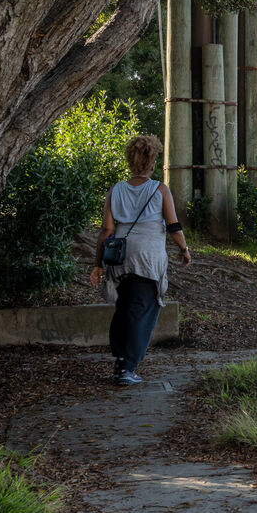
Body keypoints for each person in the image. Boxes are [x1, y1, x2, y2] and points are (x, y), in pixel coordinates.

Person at [89, 135, 190, 385]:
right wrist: (184, 249)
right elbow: (173, 226)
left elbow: (106, 231)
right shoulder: (159, 189)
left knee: (126, 307)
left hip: (120, 257)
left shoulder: (115, 190)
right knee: (142, 311)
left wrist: (98, 264)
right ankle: (126, 367)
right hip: (147, 258)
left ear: (129, 160)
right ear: (153, 161)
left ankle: (122, 359)